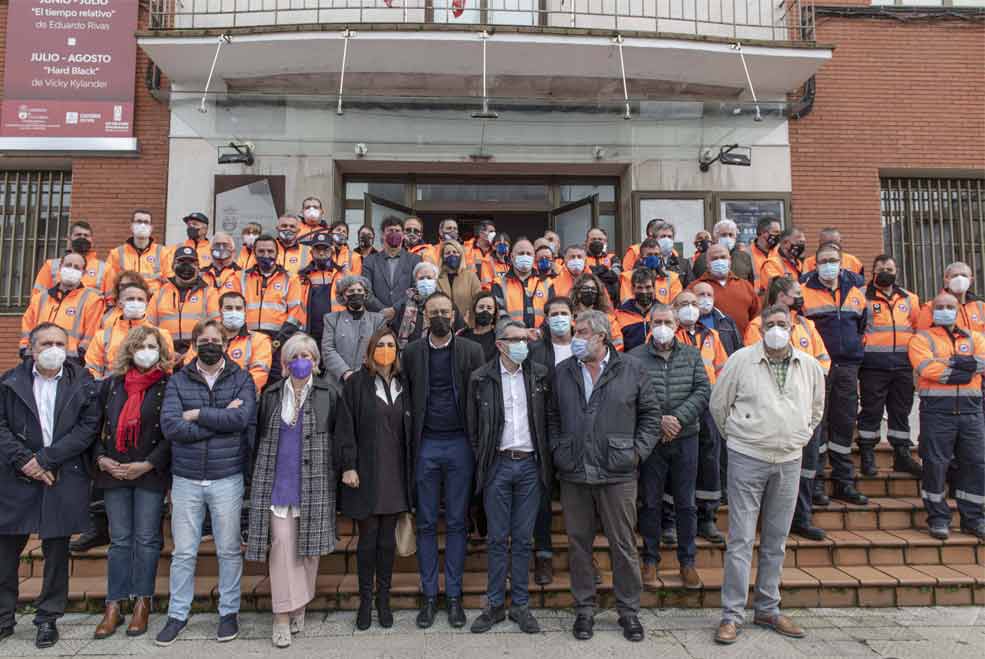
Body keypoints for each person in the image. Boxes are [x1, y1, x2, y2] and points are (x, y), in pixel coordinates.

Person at [711, 304, 825, 646]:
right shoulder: (741, 360)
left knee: (776, 540)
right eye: (770, 324)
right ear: (760, 329)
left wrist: (800, 436)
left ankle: (767, 608)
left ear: (792, 328)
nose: (777, 329)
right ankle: (731, 615)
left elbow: (816, 409)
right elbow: (719, 404)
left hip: (789, 459)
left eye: (782, 324)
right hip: (748, 457)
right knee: (741, 540)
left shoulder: (809, 366)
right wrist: (738, 437)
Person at [549, 309, 659, 642]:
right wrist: (559, 450)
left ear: (600, 335)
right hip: (575, 472)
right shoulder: (563, 371)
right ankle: (584, 610)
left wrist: (636, 452)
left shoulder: (631, 369)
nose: (575, 338)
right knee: (579, 545)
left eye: (581, 332)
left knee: (623, 545)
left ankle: (629, 612)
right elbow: (553, 416)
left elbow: (651, 416)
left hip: (618, 473)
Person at [247, 333, 356, 648]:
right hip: (276, 481)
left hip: (315, 481)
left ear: (316, 362)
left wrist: (347, 467)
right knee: (281, 546)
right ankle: (282, 614)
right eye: (295, 357)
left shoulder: (330, 393)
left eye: (307, 356)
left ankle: (300, 604)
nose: (301, 362)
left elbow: (343, 434)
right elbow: (257, 439)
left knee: (308, 551)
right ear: (284, 364)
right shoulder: (269, 395)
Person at [156, 320, 257, 647]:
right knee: (184, 552)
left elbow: (241, 420)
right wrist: (218, 419)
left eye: (216, 339)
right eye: (204, 339)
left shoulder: (241, 378)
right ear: (195, 343)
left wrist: (197, 413)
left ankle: (229, 612)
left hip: (227, 477)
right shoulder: (178, 380)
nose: (210, 343)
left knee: (228, 550)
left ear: (226, 343)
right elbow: (172, 428)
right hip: (185, 479)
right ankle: (177, 614)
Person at [0, 324, 100, 649]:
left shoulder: (83, 382)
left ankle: (47, 618)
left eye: (60, 343)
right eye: (46, 342)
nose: (53, 348)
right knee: (6, 552)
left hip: (61, 474)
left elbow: (88, 428)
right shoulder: (10, 382)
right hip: (17, 477)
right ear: (31, 346)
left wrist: (45, 459)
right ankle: (4, 616)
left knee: (56, 551)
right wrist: (25, 462)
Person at [401, 292, 485, 630]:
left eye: (445, 312)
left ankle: (453, 596)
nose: (440, 317)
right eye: (433, 312)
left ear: (455, 316)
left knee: (455, 522)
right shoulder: (411, 353)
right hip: (425, 446)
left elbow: (481, 400)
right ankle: (429, 597)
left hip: (459, 444)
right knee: (424, 522)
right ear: (424, 316)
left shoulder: (471, 351)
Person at [467, 321, 550, 635]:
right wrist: (484, 462)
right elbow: (473, 429)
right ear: (500, 344)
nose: (521, 344)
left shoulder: (540, 375)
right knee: (498, 539)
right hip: (498, 465)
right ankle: (494, 605)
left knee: (523, 539)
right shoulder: (481, 379)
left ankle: (521, 606)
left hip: (530, 465)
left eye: (524, 338)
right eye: (514, 339)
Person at [91, 326, 172, 640]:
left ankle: (142, 602)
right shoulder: (111, 386)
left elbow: (170, 433)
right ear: (129, 350)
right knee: (121, 539)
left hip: (149, 472)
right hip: (113, 473)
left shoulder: (168, 385)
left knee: (148, 539)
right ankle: (114, 604)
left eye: (152, 346)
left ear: (160, 351)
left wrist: (149, 463)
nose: (146, 351)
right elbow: (93, 428)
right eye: (140, 345)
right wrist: (101, 459)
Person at [629, 303, 710, 590]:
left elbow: (703, 391)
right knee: (650, 502)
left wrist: (678, 418)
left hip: (686, 437)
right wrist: (659, 421)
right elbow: (632, 396)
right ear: (649, 326)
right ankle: (650, 560)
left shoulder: (691, 354)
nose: (662, 326)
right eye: (657, 321)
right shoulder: (635, 358)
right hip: (652, 440)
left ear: (676, 325)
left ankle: (687, 562)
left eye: (667, 321)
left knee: (686, 503)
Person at [746, 276, 830, 541]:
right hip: (769, 409)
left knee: (806, 466)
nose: (800, 297)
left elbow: (822, 360)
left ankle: (802, 518)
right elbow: (752, 363)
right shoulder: (757, 326)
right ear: (781, 296)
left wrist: (810, 381)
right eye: (796, 293)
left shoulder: (805, 325)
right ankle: (767, 521)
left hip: (803, 406)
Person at [338, 326, 411, 631]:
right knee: (367, 541)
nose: (385, 349)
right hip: (366, 472)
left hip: (397, 472)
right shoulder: (356, 383)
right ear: (370, 350)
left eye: (390, 344)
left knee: (385, 542)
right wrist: (348, 465)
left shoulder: (405, 383)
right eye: (379, 344)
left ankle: (384, 599)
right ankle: (366, 600)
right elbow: (345, 427)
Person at [908, 292, 985, 540]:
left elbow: (982, 362)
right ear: (931, 311)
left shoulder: (976, 337)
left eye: (949, 306)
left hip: (971, 411)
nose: (945, 310)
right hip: (936, 412)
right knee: (935, 464)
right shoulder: (922, 339)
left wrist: (949, 366)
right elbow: (926, 369)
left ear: (958, 310)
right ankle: (938, 518)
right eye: (939, 306)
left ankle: (972, 519)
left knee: (975, 464)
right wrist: (963, 368)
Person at [801, 243, 869, 506]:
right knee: (818, 425)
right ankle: (815, 484)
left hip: (848, 368)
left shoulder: (854, 293)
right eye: (824, 260)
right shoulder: (805, 293)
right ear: (815, 264)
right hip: (817, 370)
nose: (828, 265)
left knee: (843, 424)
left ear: (841, 263)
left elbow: (863, 327)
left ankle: (844, 482)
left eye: (833, 260)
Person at [857, 255, 922, 477]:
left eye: (890, 268)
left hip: (903, 366)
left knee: (900, 411)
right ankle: (867, 454)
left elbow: (916, 328)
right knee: (871, 411)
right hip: (873, 366)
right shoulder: (862, 298)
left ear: (897, 271)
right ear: (873, 272)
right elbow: (857, 329)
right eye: (881, 268)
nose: (886, 271)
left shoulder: (910, 299)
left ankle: (902, 454)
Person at [672, 291, 727, 544]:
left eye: (694, 304)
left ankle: (707, 518)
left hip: (709, 407)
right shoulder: (667, 335)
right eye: (684, 304)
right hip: (678, 407)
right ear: (674, 309)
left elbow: (723, 372)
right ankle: (670, 520)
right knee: (677, 464)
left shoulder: (711, 336)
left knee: (709, 460)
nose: (691, 308)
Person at [231, 234, 302, 380]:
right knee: (245, 379)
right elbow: (231, 306)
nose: (266, 255)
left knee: (275, 382)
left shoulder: (291, 278)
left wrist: (278, 341)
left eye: (270, 251)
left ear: (277, 253)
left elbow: (296, 313)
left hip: (278, 340)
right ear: (254, 253)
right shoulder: (240, 277)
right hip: (247, 338)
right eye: (261, 251)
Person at [20, 250, 105, 363]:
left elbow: (92, 332)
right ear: (60, 267)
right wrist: (26, 350)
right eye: (68, 265)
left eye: (76, 267)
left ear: (84, 273)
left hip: (71, 360)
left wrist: (80, 355)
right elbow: (27, 326)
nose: (71, 269)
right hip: (38, 358)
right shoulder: (40, 298)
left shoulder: (92, 299)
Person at [184, 292, 273, 394]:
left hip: (242, 398)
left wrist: (230, 392)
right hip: (202, 396)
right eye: (229, 308)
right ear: (220, 311)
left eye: (238, 308)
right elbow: (188, 367)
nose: (234, 312)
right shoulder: (204, 338)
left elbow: (259, 374)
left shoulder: (259, 340)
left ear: (245, 312)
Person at [86, 279, 175, 380]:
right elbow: (92, 370)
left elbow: (167, 370)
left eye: (140, 299)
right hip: (111, 391)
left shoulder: (162, 335)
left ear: (147, 303)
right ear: (119, 303)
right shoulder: (102, 337)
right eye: (130, 299)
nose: (135, 303)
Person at [146, 246, 220, 357]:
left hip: (199, 356)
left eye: (191, 262)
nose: (186, 266)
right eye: (181, 261)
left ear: (198, 267)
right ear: (172, 266)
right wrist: (168, 352)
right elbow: (148, 328)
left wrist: (191, 354)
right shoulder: (159, 294)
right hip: (165, 356)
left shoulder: (210, 293)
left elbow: (216, 328)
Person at [321, 275, 385, 382]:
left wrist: (361, 373)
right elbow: (328, 349)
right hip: (337, 381)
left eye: (359, 290)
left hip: (367, 379)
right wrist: (345, 372)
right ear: (343, 295)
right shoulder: (331, 319)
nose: (356, 293)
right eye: (351, 291)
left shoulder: (378, 320)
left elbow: (379, 350)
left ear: (365, 294)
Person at [691, 244, 760, 336]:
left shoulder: (745, 286)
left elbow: (757, 318)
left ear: (730, 260)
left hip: (743, 346)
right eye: (714, 259)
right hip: (709, 346)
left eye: (723, 257)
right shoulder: (695, 288)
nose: (719, 261)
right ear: (707, 263)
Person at [363, 216, 422, 322]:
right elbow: (366, 291)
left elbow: (416, 289)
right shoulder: (369, 261)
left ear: (403, 235)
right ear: (383, 235)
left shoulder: (415, 260)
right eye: (390, 231)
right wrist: (383, 310)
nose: (394, 233)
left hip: (405, 319)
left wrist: (395, 309)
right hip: (377, 318)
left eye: (398, 231)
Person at [292, 232, 346, 348]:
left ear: (331, 252)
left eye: (325, 249)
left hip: (338, 332)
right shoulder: (301, 277)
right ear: (311, 252)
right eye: (317, 249)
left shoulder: (343, 275)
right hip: (310, 333)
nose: (321, 253)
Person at [393, 262, 465, 347]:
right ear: (415, 282)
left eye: (429, 278)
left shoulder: (447, 304)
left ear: (435, 280)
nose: (425, 281)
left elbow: (461, 331)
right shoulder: (404, 305)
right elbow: (395, 331)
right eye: (421, 278)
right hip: (412, 354)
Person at [33, 220, 112, 297]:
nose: (82, 238)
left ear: (92, 240)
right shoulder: (51, 265)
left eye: (86, 235)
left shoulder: (105, 269)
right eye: (78, 235)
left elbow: (111, 302)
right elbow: (38, 298)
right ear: (69, 239)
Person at [106, 210, 170, 297]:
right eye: (139, 221)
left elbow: (169, 283)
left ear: (151, 228)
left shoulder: (163, 252)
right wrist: (111, 303)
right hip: (126, 302)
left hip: (154, 303)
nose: (142, 225)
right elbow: (110, 283)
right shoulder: (116, 253)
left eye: (146, 222)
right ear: (131, 226)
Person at [492, 238, 550, 330]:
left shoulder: (546, 283)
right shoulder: (499, 283)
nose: (525, 256)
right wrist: (518, 334)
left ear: (534, 257)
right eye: (521, 253)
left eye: (528, 254)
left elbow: (551, 313)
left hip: (540, 339)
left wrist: (540, 333)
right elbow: (500, 315)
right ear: (511, 257)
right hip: (512, 339)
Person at [915, 261, 984, 332]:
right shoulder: (932, 307)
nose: (960, 279)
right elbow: (924, 336)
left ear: (971, 280)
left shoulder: (981, 306)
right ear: (946, 279)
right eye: (955, 276)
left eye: (964, 275)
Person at [618, 238, 682, 305]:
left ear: (660, 256)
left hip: (664, 314)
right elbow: (626, 302)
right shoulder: (628, 277)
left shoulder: (672, 277)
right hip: (638, 314)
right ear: (640, 257)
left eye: (656, 254)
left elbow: (676, 304)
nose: (653, 257)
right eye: (649, 254)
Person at [571, 272, 624, 351]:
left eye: (593, 289)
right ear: (578, 293)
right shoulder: (569, 318)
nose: (590, 291)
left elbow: (618, 343)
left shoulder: (608, 319)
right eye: (586, 288)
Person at [438, 239, 482, 327]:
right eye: (448, 253)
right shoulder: (438, 278)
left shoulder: (471, 276)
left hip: (467, 326)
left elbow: (478, 300)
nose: (452, 255)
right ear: (443, 257)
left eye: (455, 252)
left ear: (461, 255)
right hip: (443, 325)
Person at [693, 281, 743, 355]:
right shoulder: (688, 322)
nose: (706, 298)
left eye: (709, 295)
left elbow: (738, 349)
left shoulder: (726, 321)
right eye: (701, 294)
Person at [614, 267, 656, 352]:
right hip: (629, 362)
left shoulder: (663, 312)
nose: (644, 292)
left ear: (654, 288)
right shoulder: (619, 314)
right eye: (640, 288)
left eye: (648, 287)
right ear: (632, 289)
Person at [457, 292, 500, 362]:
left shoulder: (498, 337)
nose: (485, 311)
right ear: (474, 309)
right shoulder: (462, 335)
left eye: (489, 308)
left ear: (494, 313)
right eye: (481, 307)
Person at [651, 221, 694, 286]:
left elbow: (690, 287)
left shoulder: (684, 263)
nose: (667, 239)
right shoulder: (648, 261)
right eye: (663, 236)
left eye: (669, 237)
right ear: (655, 240)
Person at [749, 216, 781, 296]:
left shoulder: (781, 252)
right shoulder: (747, 254)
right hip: (757, 302)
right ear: (763, 232)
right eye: (776, 232)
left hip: (779, 301)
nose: (779, 235)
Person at [464, 220, 497, 289]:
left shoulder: (496, 250)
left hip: (492, 292)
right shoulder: (466, 249)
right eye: (491, 231)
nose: (494, 234)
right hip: (472, 290)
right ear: (481, 233)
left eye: (494, 232)